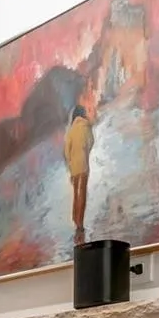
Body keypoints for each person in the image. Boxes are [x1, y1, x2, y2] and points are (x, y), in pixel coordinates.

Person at [63, 102, 92, 246]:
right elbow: (90, 143)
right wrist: (85, 153)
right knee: (83, 193)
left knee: (75, 193)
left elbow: (66, 150)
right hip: (83, 164)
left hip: (73, 166)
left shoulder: (71, 130)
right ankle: (80, 223)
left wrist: (70, 163)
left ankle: (75, 219)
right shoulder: (86, 127)